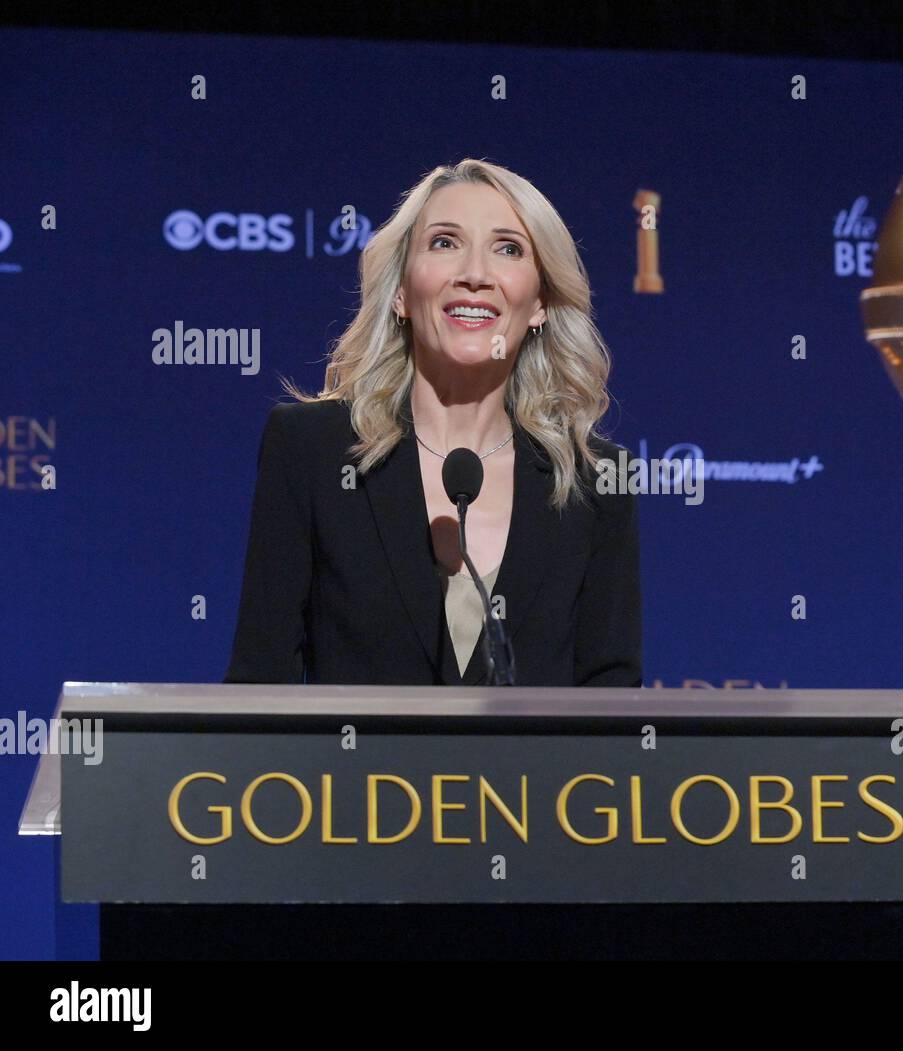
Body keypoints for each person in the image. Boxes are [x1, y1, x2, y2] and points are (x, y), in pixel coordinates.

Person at [223, 158, 641, 687]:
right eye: (445, 242)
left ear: (540, 301)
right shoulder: (312, 450)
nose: (475, 274)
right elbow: (259, 685)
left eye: (508, 249)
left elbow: (612, 705)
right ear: (401, 291)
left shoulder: (596, 481)